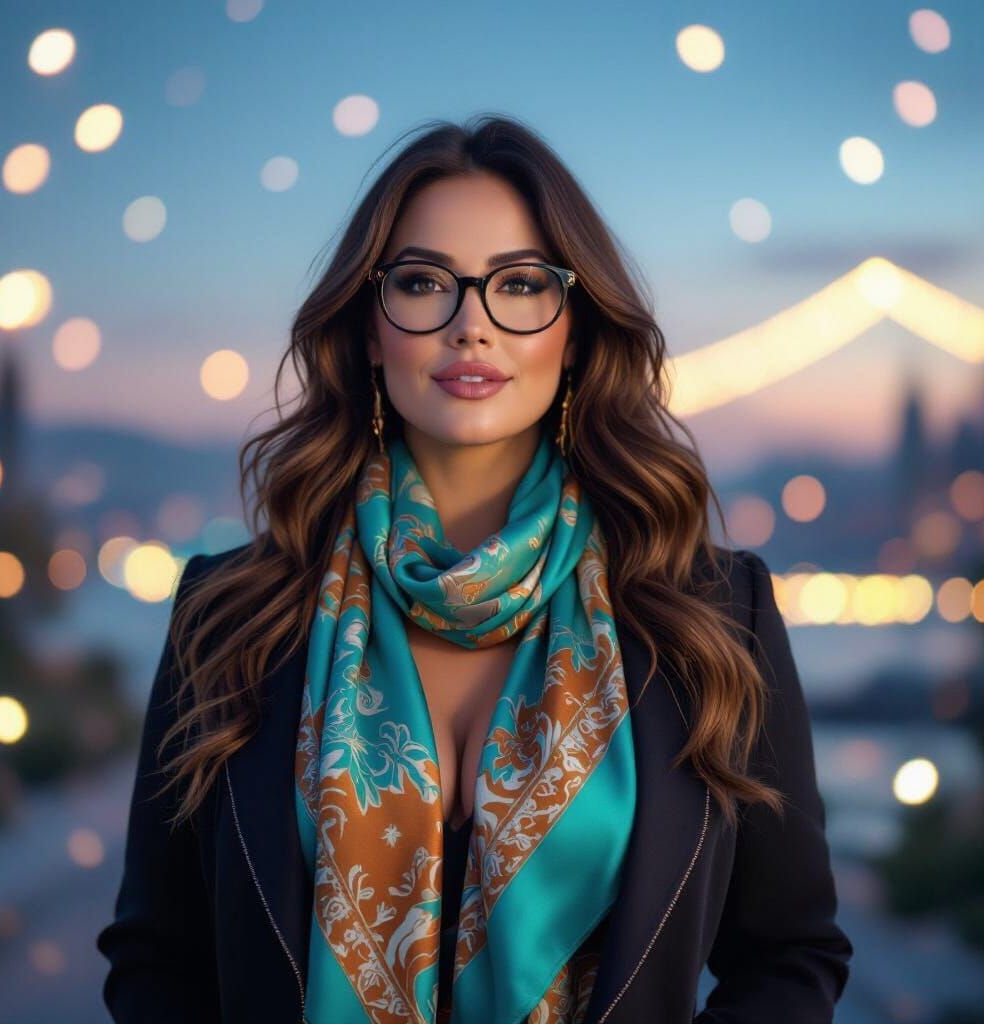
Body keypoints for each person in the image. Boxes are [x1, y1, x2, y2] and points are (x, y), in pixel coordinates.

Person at [96, 114, 853, 1024]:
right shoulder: (228, 613)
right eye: (422, 284)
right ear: (370, 329)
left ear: (572, 330)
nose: (471, 327)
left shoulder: (714, 616)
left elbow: (791, 953)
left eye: (521, 285)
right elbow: (156, 959)